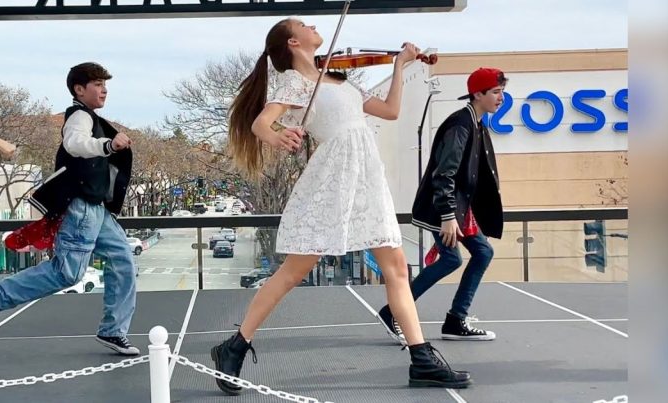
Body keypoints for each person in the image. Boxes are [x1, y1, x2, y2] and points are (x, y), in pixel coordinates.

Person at [209, 18, 471, 395]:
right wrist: (281, 136)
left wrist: (399, 66)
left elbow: (390, 111)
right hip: (334, 177)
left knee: (396, 266)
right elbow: (261, 124)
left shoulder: (341, 79)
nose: (315, 26)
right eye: (304, 25)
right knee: (293, 272)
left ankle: (422, 358)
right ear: (294, 42)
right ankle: (235, 345)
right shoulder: (295, 83)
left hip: (367, 176)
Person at [0, 62, 140, 355]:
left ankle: (113, 331)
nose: (104, 89)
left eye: (105, 84)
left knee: (124, 260)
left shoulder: (90, 118)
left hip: (97, 210)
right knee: (68, 274)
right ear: (79, 89)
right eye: (98, 84)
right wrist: (109, 146)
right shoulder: (78, 116)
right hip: (83, 209)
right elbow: (75, 143)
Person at [378, 67, 507, 342]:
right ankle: (394, 311)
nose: (501, 98)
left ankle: (455, 320)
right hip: (444, 207)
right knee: (451, 259)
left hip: (461, 208)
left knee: (482, 253)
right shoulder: (460, 125)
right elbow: (444, 174)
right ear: (477, 94)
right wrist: (448, 216)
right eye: (496, 92)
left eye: (502, 92)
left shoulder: (477, 123)